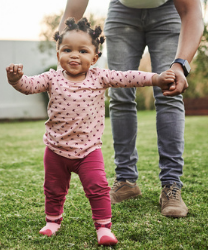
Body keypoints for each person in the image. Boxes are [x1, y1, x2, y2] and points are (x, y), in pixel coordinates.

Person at [6, 17, 176, 246]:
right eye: (67, 49)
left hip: (88, 152)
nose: (74, 55)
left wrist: (155, 78)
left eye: (83, 51)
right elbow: (29, 86)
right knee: (53, 189)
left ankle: (104, 228)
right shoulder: (51, 78)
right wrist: (16, 80)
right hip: (56, 150)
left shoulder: (100, 77)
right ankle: (52, 221)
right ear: (58, 55)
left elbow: (128, 77)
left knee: (98, 188)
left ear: (94, 58)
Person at [59, 0, 204, 218]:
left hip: (169, 11)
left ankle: (171, 185)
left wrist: (180, 65)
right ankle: (126, 181)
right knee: (120, 95)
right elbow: (72, 12)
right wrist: (63, 55)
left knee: (170, 91)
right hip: (122, 12)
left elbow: (191, 10)